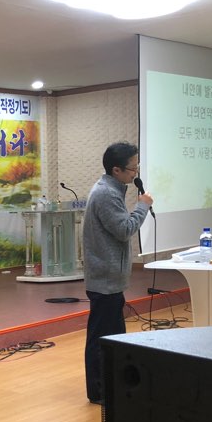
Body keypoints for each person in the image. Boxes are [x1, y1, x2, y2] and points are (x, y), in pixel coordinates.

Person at [82, 141, 154, 404]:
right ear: (116, 170)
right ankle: (99, 391)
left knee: (112, 338)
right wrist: (142, 206)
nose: (136, 173)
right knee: (101, 339)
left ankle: (111, 387)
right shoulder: (106, 194)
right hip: (105, 280)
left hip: (110, 279)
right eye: (132, 168)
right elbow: (124, 230)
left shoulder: (112, 190)